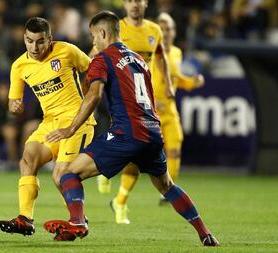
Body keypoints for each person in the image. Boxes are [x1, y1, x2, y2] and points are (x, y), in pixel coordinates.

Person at [43, 11, 219, 246]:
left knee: (68, 174)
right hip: (153, 131)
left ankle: (77, 221)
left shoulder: (102, 59)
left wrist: (70, 129)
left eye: (94, 36)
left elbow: (93, 96)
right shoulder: (139, 60)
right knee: (166, 185)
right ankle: (205, 233)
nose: (93, 41)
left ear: (103, 33)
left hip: (127, 132)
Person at [0, 17, 96, 236]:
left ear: (49, 39)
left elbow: (93, 69)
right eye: (30, 41)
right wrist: (15, 106)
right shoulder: (19, 66)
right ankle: (25, 219)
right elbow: (14, 102)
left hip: (77, 121)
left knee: (61, 175)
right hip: (50, 123)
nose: (35, 47)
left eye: (40, 41)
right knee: (28, 158)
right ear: (24, 39)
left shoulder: (67, 51)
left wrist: (89, 94)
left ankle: (79, 222)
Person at [96, 0, 174, 225]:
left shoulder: (154, 30)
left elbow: (160, 56)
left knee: (137, 154)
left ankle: (118, 197)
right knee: (133, 149)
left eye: (138, 0)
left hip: (142, 100)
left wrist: (167, 83)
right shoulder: (114, 29)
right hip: (119, 97)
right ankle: (109, 176)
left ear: (145, 3)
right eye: (129, 0)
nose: (134, 5)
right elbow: (95, 53)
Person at [156, 12, 205, 204]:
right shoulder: (150, 52)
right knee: (135, 156)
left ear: (174, 32)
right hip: (150, 111)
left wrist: (192, 82)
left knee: (175, 149)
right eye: (162, 28)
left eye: (169, 28)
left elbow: (176, 79)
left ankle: (167, 190)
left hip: (169, 110)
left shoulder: (176, 53)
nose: (166, 32)